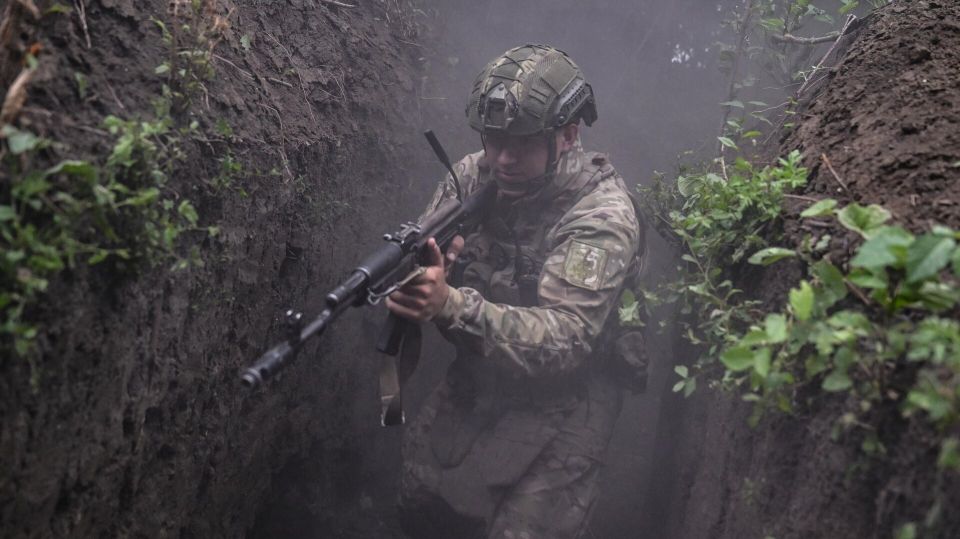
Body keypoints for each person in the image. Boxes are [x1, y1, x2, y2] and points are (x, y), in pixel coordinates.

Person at [386, 44, 645, 539]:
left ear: (568, 135)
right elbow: (421, 252)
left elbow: (567, 338)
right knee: (419, 502)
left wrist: (450, 305)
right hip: (483, 373)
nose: (502, 159)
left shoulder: (601, 215)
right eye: (494, 140)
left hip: (572, 395)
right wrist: (427, 271)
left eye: (522, 144)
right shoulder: (473, 175)